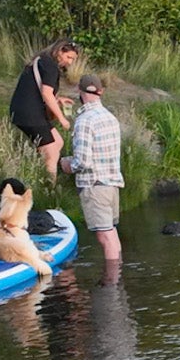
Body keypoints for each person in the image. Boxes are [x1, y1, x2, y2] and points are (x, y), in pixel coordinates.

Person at [66, 73, 124, 273]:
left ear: (79, 92)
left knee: (104, 236)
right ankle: (118, 278)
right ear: (101, 92)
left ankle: (112, 285)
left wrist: (67, 165)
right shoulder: (110, 117)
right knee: (111, 233)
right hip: (112, 185)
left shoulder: (84, 121)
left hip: (94, 185)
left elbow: (82, 161)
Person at [9, 40, 79, 184]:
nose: (70, 62)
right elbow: (46, 93)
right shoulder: (51, 67)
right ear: (60, 52)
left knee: (58, 142)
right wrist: (62, 118)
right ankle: (49, 188)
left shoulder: (41, 61)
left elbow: (35, 89)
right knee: (51, 152)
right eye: (69, 57)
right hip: (30, 115)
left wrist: (58, 99)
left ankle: (40, 173)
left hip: (23, 111)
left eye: (73, 59)